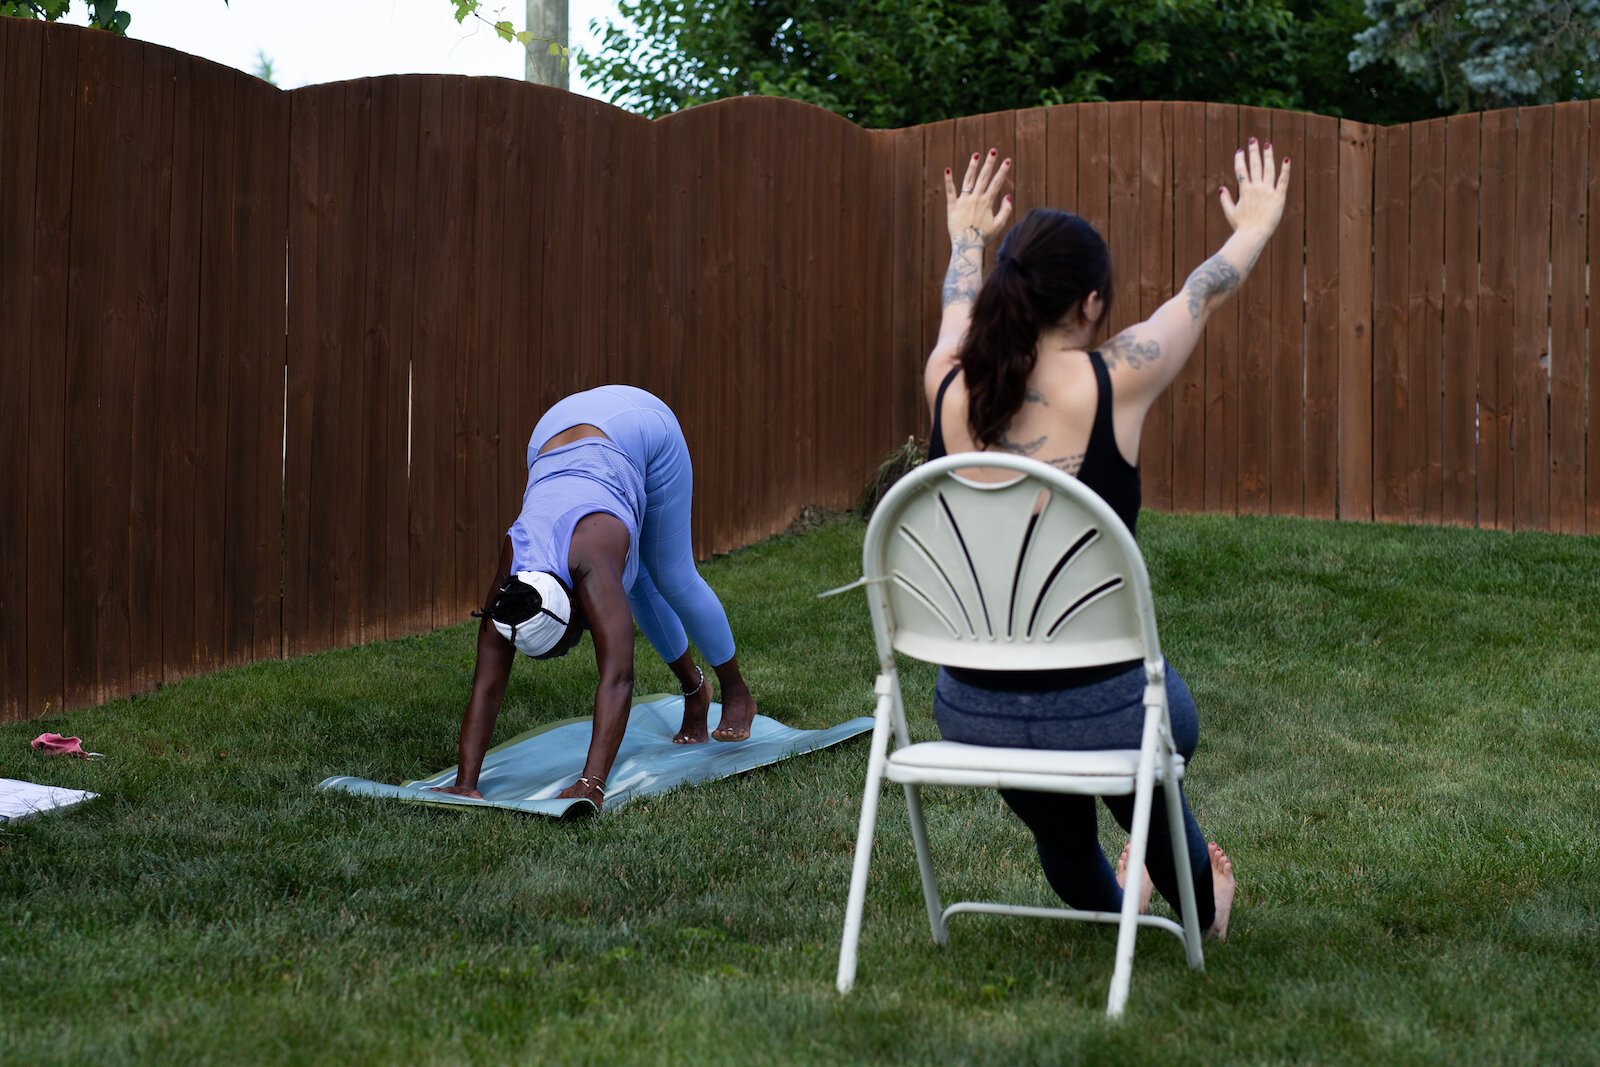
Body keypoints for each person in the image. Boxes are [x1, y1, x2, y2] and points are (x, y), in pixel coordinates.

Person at [923, 142, 1290, 938]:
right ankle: (1200, 900)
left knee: (1060, 816)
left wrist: (966, 238)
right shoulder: (1116, 377)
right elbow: (1196, 296)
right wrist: (1254, 228)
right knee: (1159, 734)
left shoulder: (947, 379)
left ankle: (1116, 899)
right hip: (1109, 713)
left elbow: (958, 305)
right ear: (1090, 305)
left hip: (972, 708)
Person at [433, 385, 760, 809]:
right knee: (633, 580)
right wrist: (465, 782)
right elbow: (487, 685)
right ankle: (695, 691)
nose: (567, 654)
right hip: (552, 435)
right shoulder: (510, 587)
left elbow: (618, 676)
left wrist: (592, 780)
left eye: (565, 645)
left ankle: (737, 693)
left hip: (640, 425)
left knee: (666, 575)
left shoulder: (592, 558)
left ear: (573, 610)